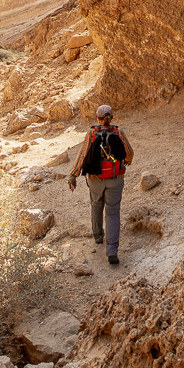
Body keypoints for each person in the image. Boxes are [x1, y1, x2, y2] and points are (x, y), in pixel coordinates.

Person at [68, 104, 134, 265]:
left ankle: (98, 236)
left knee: (96, 205)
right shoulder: (118, 133)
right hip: (115, 179)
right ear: (111, 117)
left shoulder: (91, 133)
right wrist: (126, 162)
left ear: (97, 117)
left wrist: (73, 175)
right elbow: (130, 153)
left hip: (95, 179)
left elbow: (83, 154)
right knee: (112, 213)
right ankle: (112, 252)